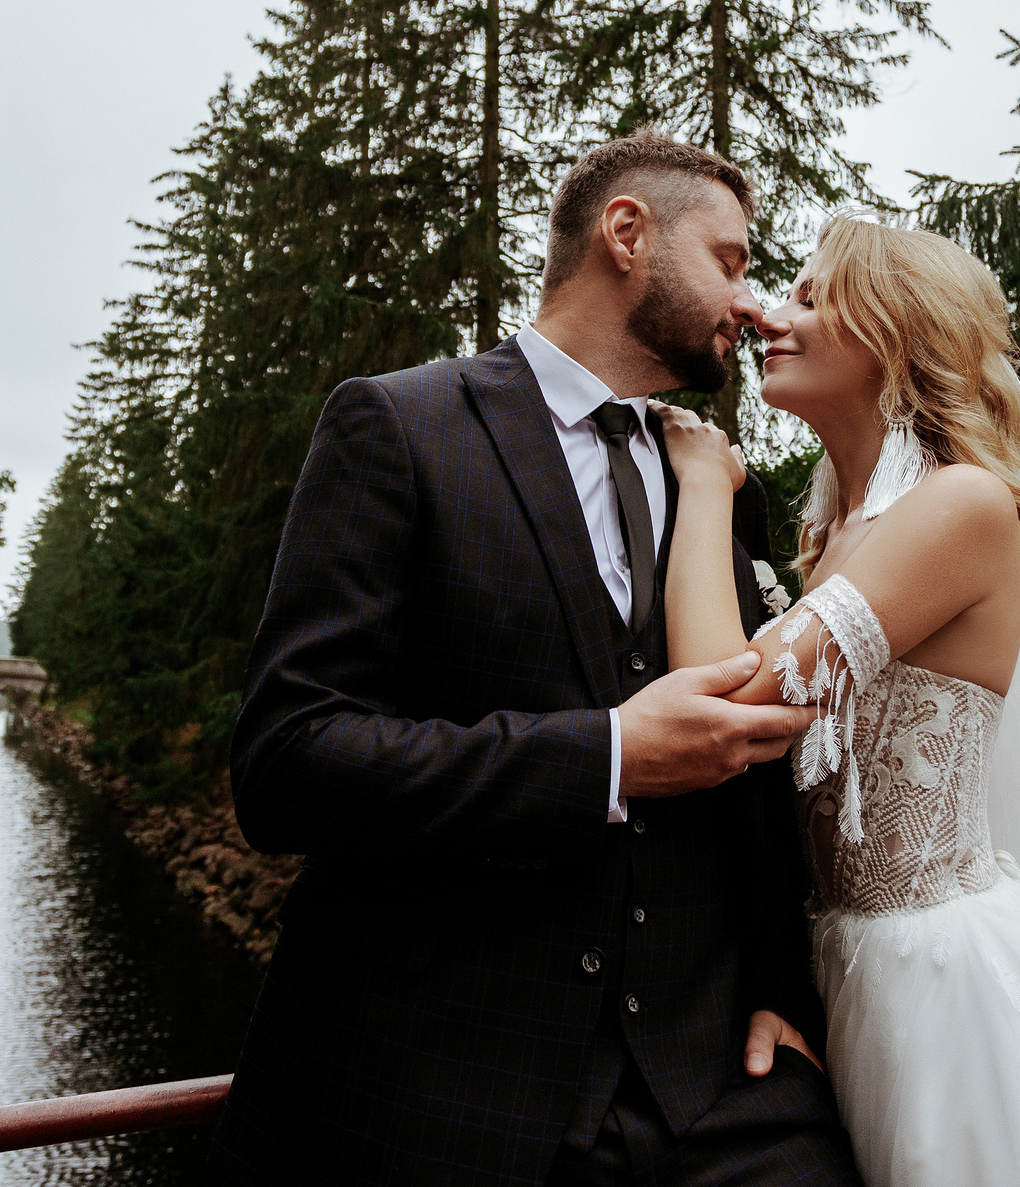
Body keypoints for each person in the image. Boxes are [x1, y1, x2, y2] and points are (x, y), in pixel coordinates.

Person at [216, 132, 862, 1187]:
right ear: (626, 235)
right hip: (442, 1098)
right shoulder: (399, 426)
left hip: (721, 1098)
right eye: (732, 262)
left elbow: (756, 788)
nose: (749, 305)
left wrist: (785, 990)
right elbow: (288, 762)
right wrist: (604, 755)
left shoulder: (718, 483)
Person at [652, 214, 1020, 1187]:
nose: (764, 318)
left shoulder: (961, 504)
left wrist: (702, 491)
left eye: (804, 296)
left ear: (889, 328)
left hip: (947, 983)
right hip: (847, 969)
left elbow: (730, 706)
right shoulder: (833, 528)